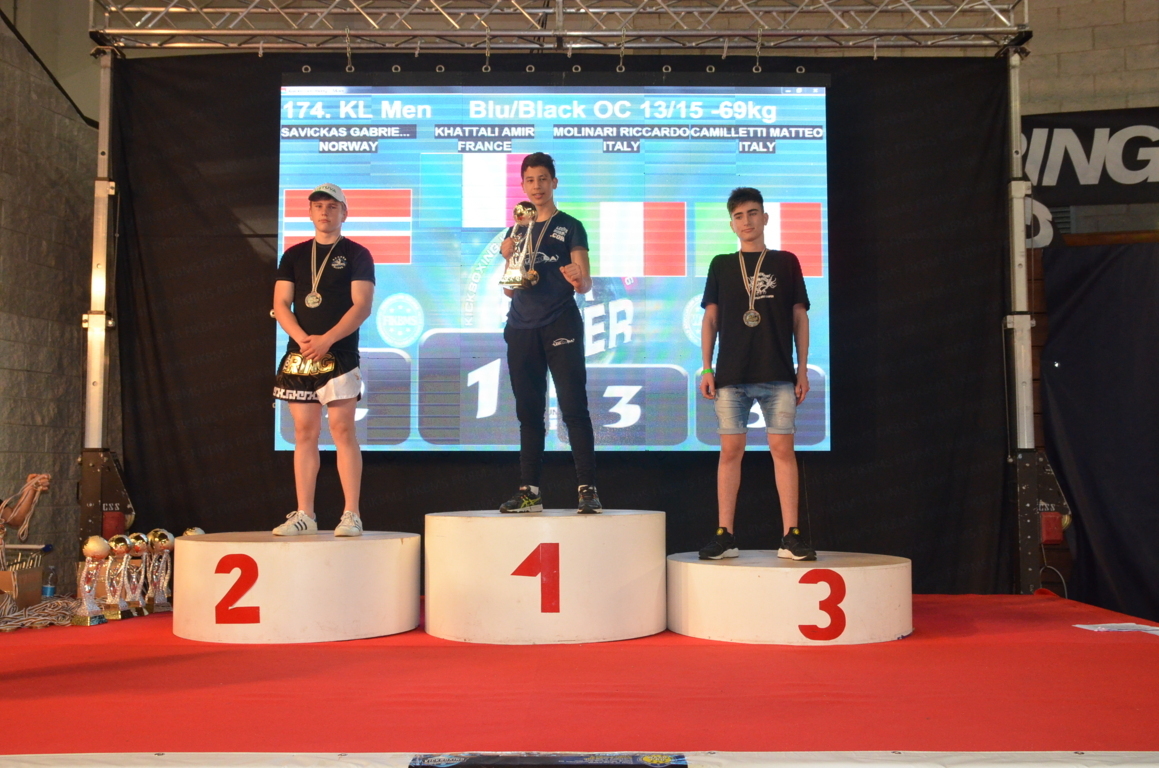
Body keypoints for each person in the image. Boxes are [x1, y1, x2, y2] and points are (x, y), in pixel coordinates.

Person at [697, 187, 816, 561]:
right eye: (738, 216)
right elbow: (711, 319)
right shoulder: (721, 264)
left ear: (765, 217)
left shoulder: (786, 261)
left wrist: (801, 369)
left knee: (783, 450)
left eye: (752, 213)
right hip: (731, 375)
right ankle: (725, 535)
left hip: (777, 373)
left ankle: (791, 536)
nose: (746, 221)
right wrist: (706, 367)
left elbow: (799, 317)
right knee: (730, 452)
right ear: (731, 224)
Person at [497, 152, 601, 515]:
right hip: (521, 327)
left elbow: (584, 283)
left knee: (573, 408)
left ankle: (587, 489)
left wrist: (578, 277)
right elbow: (509, 290)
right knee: (529, 413)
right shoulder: (516, 230)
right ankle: (530, 492)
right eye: (530, 180)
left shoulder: (570, 225)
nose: (537, 186)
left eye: (543, 179)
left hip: (560, 323)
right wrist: (507, 258)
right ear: (522, 185)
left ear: (554, 182)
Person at [271, 183, 375, 537]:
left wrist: (327, 339)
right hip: (300, 354)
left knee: (343, 429)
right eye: (318, 206)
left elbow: (362, 305)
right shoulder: (294, 255)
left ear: (344, 212)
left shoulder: (357, 254)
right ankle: (305, 514)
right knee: (304, 432)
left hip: (340, 353)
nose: (325, 212)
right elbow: (281, 304)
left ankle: (351, 513)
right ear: (310, 212)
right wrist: (303, 340)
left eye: (332, 206)